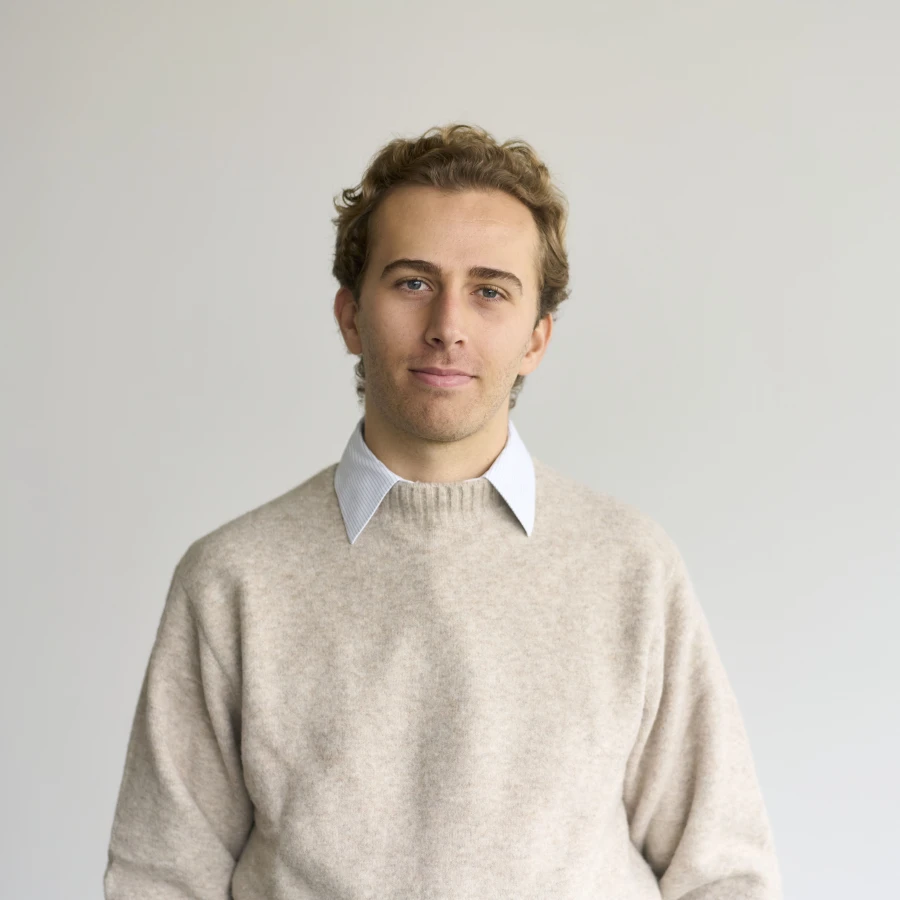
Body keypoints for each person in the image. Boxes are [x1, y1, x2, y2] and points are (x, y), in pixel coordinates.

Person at [103, 123, 783, 899]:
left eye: (490, 290)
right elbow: (161, 878)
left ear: (537, 338)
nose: (447, 327)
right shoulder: (234, 580)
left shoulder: (630, 567)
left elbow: (724, 873)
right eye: (412, 283)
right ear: (350, 316)